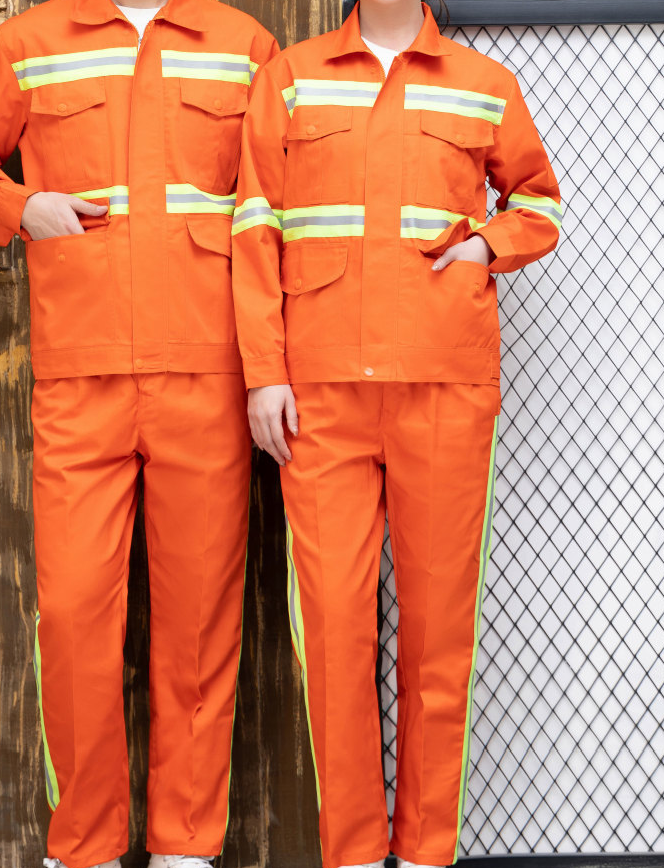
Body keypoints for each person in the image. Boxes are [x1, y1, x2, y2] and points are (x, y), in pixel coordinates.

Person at [0, 1, 277, 867]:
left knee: (201, 618)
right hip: (79, 373)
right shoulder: (30, 42)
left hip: (208, 371)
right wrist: (19, 205)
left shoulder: (243, 46)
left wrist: (271, 361)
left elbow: (277, 204)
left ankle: (185, 846)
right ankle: (83, 845)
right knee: (76, 615)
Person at [232, 1, 562, 866]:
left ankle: (423, 852)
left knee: (438, 635)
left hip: (444, 385)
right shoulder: (291, 78)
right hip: (320, 396)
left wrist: (483, 246)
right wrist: (264, 370)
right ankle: (349, 852)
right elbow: (254, 224)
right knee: (334, 632)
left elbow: (539, 204)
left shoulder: (485, 84)